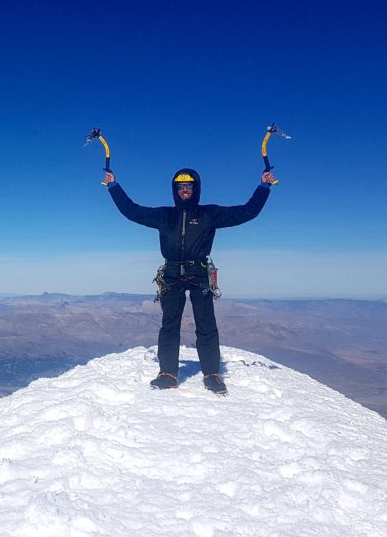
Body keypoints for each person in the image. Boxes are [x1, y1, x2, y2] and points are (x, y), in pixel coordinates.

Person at [103, 166, 275, 395]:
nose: (185, 190)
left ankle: (212, 374)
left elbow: (246, 212)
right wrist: (113, 186)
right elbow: (132, 211)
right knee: (169, 324)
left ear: (197, 189)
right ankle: (168, 374)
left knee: (206, 324)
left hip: (199, 273)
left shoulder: (209, 214)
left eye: (189, 186)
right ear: (175, 190)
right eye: (180, 187)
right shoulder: (164, 215)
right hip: (172, 274)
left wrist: (263, 187)